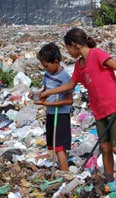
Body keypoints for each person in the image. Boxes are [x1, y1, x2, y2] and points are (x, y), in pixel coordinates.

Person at [39, 28, 116, 181]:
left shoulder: (96, 54)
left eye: (68, 48)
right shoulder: (79, 65)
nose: (68, 52)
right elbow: (70, 85)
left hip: (114, 106)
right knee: (104, 147)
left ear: (75, 45)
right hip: (98, 110)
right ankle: (108, 179)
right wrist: (47, 93)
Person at [29, 42, 73, 171]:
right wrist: (36, 96)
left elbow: (69, 100)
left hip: (61, 115)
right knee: (54, 145)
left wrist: (48, 104)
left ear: (56, 61)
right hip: (50, 113)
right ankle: (61, 169)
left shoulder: (65, 77)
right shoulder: (47, 74)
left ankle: (65, 174)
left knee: (59, 147)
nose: (45, 68)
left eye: (47, 65)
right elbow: (45, 91)